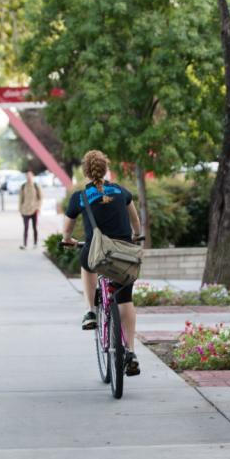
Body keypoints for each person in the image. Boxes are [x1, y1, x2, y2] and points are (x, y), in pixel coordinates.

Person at [63, 150, 142, 376]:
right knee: (125, 299)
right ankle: (131, 352)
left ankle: (90, 311)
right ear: (106, 168)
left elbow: (66, 231)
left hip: (97, 252)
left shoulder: (80, 197)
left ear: (85, 171)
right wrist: (136, 236)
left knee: (86, 261)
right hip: (124, 254)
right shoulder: (120, 191)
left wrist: (68, 241)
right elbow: (136, 222)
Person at [18, 170, 42, 249]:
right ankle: (25, 244)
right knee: (26, 227)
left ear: (32, 176)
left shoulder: (36, 186)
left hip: (34, 210)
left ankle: (35, 243)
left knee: (34, 227)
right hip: (25, 210)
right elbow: (21, 199)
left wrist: (38, 208)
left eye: (30, 176)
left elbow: (40, 198)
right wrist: (20, 209)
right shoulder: (23, 186)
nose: (28, 177)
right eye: (27, 176)